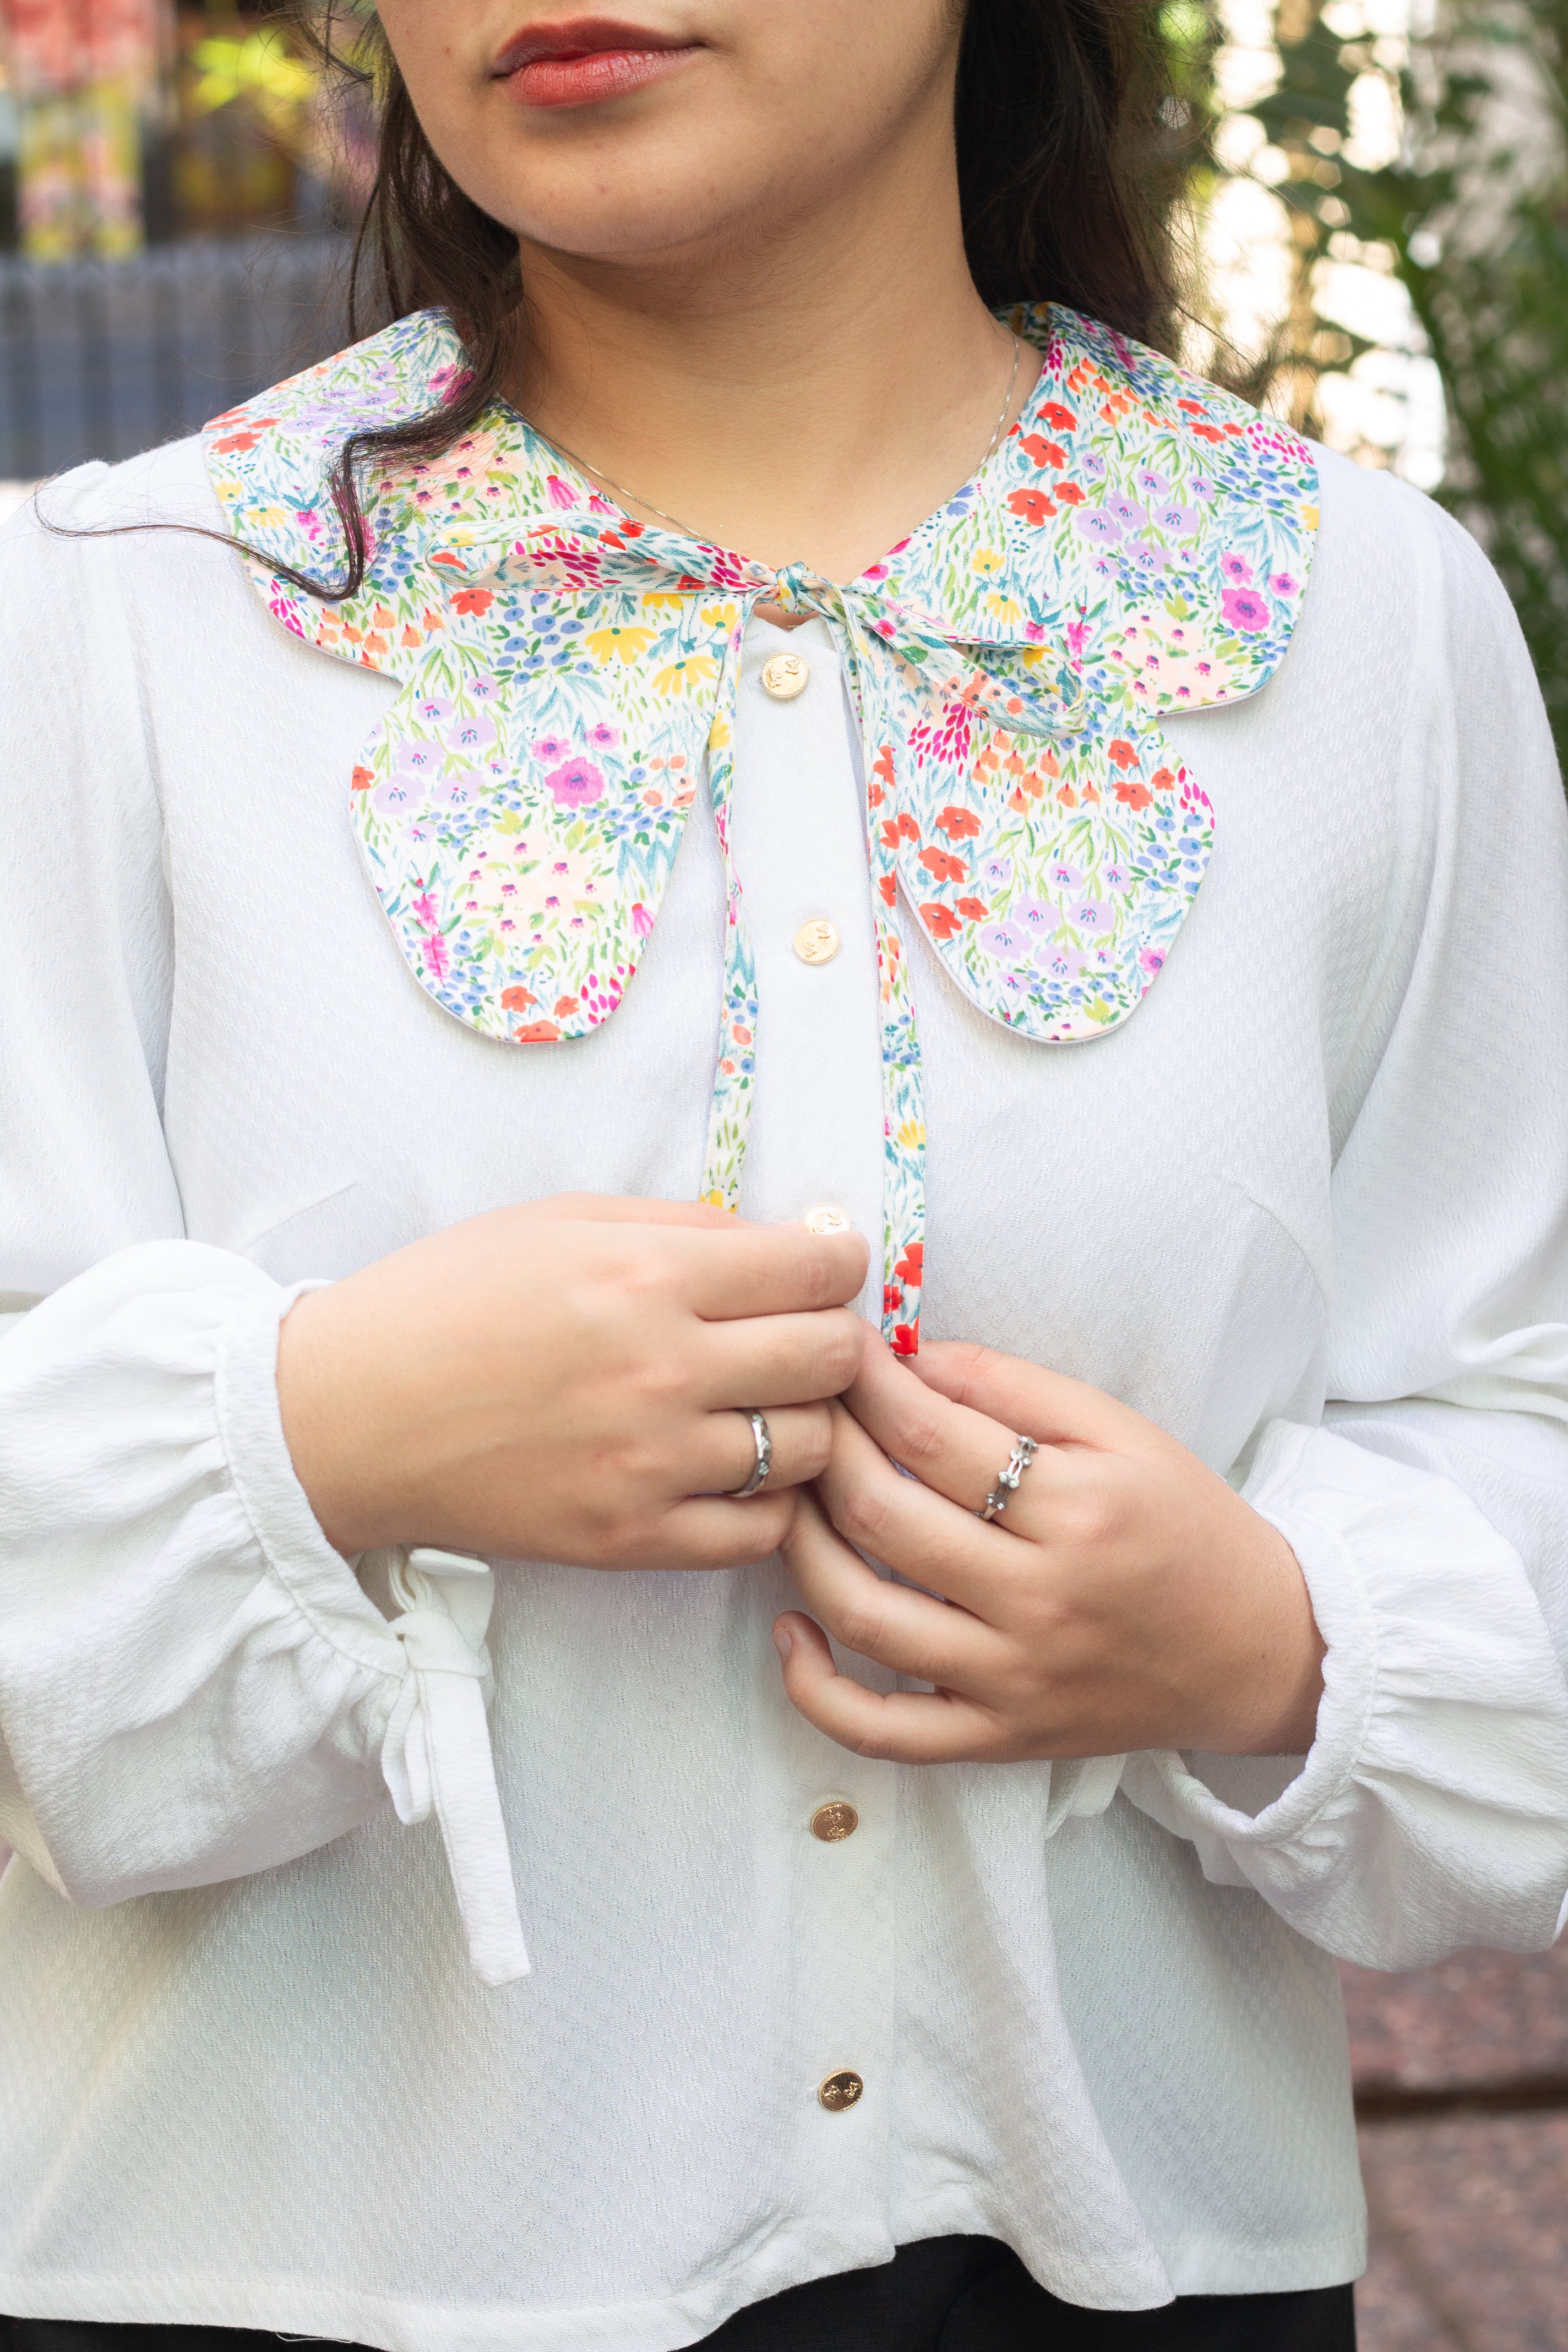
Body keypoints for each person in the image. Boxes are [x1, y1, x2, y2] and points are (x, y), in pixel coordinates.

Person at [2, 2, 1566, 2347]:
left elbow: (1512, 1410)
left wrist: (1269, 1641)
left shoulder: (1364, 628)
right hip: (261, 2275)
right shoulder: (102, 630)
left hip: (1133, 2278)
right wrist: (309, 1442)